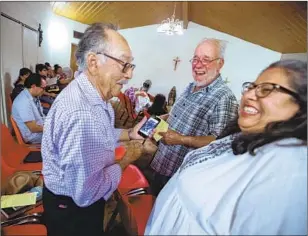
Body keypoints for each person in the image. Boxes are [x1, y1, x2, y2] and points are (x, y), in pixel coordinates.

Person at [145, 60, 307, 235]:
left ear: (300, 105)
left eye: (266, 89)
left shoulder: (289, 170)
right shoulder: (246, 136)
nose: (249, 95)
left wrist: (182, 139)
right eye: (251, 87)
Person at [42, 22, 150, 236]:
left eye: (131, 66)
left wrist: (129, 134)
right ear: (93, 63)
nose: (129, 75)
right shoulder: (82, 114)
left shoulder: (92, 95)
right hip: (72, 210)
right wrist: (128, 158)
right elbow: (87, 193)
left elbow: (101, 133)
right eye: (124, 64)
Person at [149, 38, 238, 195]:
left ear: (220, 64)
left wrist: (182, 139)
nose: (198, 64)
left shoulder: (224, 97)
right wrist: (163, 117)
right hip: (161, 162)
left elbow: (221, 144)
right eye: (195, 59)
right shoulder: (191, 86)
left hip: (179, 176)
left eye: (206, 59)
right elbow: (178, 114)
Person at [12, 73, 46, 144]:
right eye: (43, 88)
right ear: (33, 86)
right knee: (62, 136)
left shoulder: (33, 96)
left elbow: (41, 116)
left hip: (40, 130)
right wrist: (52, 128)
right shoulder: (23, 101)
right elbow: (33, 128)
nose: (44, 91)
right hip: (33, 136)